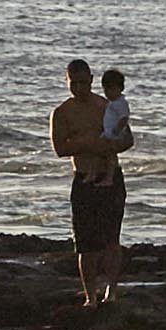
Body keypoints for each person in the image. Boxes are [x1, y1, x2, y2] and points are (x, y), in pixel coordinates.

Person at [47, 55, 125, 306]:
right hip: (83, 179)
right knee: (85, 244)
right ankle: (90, 296)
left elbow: (127, 140)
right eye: (74, 83)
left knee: (111, 239)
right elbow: (59, 148)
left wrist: (106, 145)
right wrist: (87, 143)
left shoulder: (105, 106)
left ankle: (111, 291)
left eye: (83, 82)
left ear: (91, 80)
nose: (79, 88)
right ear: (67, 82)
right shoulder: (62, 113)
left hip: (109, 178)